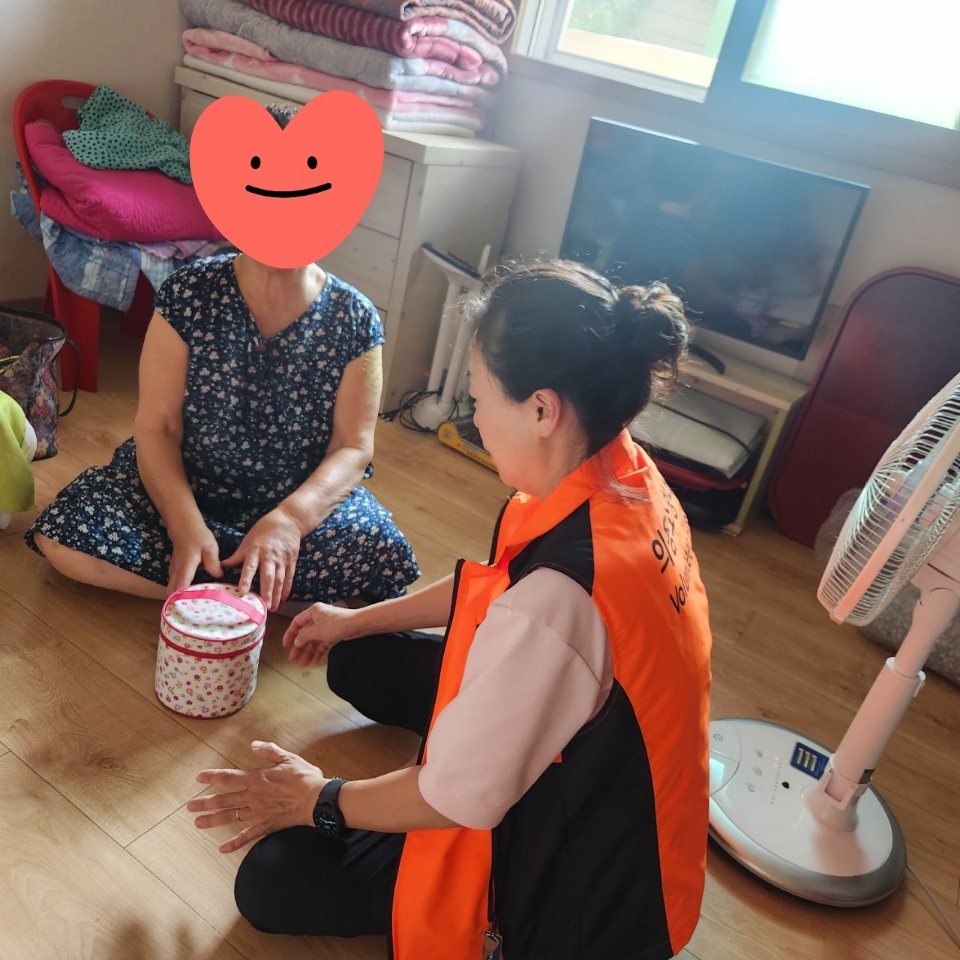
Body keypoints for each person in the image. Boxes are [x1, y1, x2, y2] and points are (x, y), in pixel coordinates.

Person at [187, 260, 713, 959]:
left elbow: (454, 799)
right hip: (602, 757)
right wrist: (353, 619)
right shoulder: (619, 475)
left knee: (271, 882)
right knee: (357, 656)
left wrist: (317, 797)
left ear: (542, 410)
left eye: (478, 395)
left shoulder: (557, 605)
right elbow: (493, 585)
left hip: (586, 884)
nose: (474, 416)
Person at [25, 222, 419, 611]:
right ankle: (266, 598)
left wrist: (290, 521)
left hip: (297, 500)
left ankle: (220, 591)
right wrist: (183, 524)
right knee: (64, 535)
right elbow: (159, 427)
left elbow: (353, 447)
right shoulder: (189, 292)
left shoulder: (355, 317)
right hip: (184, 487)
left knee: (378, 546)